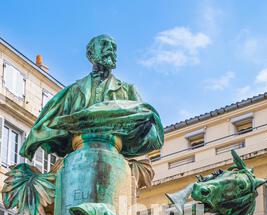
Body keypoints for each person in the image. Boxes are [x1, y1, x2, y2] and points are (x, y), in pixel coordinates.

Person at [20, 34, 163, 161]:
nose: (110, 50)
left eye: (113, 47)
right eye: (105, 45)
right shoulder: (72, 92)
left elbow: (151, 134)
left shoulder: (128, 91)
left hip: (113, 158)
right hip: (78, 159)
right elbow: (47, 128)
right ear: (90, 53)